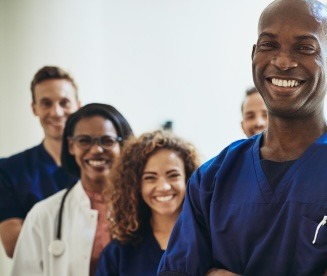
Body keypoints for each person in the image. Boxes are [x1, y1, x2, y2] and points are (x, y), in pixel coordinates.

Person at [158, 0, 327, 275]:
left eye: (304, 48)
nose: (282, 61)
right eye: (269, 45)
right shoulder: (213, 180)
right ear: (254, 54)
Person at [11, 103, 133, 276]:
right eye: (84, 141)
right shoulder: (44, 215)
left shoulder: (143, 210)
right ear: (71, 146)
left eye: (107, 141)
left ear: (123, 146)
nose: (97, 149)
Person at [0, 66, 81, 258]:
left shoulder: (96, 165)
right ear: (34, 108)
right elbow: (14, 246)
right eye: (46, 103)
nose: (56, 112)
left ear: (78, 105)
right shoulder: (9, 170)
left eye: (64, 102)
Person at [96, 131, 200, 276]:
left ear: (188, 178)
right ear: (135, 186)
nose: (164, 187)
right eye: (150, 178)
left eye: (173, 175)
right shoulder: (119, 253)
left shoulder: (209, 242)